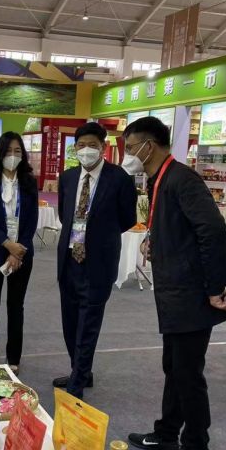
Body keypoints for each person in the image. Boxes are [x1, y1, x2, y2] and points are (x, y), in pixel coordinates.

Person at [122, 116, 226, 450]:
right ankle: (166, 434)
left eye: (130, 148)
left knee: (188, 372)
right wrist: (154, 240)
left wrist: (214, 288)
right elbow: (179, 227)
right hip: (174, 292)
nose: (127, 155)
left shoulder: (183, 180)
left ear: (149, 147)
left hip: (193, 293)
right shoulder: (160, 180)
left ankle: (196, 449)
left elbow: (213, 231)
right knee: (173, 366)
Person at [53, 122, 137, 398]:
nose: (86, 150)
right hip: (69, 261)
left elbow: (128, 219)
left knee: (88, 325)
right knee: (70, 323)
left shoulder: (119, 178)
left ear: (103, 147)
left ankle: (77, 383)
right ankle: (81, 371)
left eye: (92, 145)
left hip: (98, 263)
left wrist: (101, 235)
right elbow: (64, 215)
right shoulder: (67, 178)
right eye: (81, 145)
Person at [0, 132, 39, 375]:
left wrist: (17, 250)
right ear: (0, 154)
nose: (13, 156)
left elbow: (31, 220)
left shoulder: (29, 183)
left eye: (17, 151)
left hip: (22, 253)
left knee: (16, 306)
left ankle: (14, 357)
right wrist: (7, 245)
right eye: (8, 151)